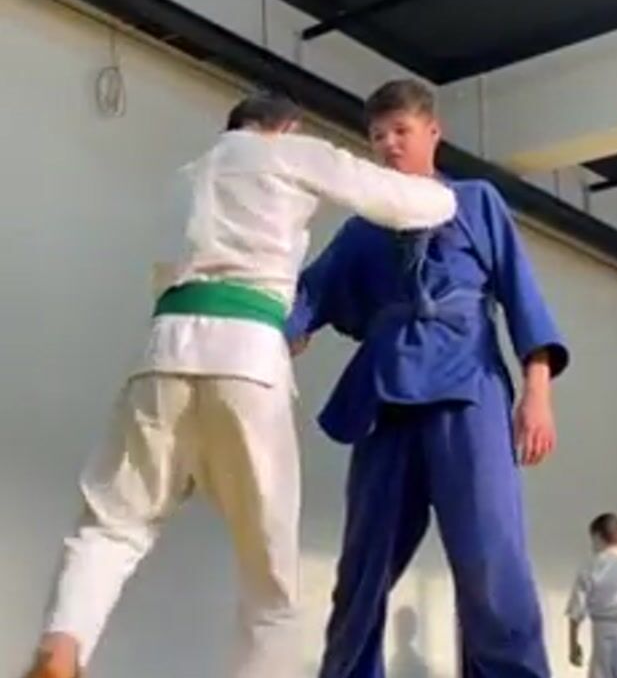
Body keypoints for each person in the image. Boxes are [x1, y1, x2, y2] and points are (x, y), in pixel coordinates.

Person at [23, 92, 457, 678]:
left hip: (161, 356)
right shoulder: (288, 153)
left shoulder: (186, 177)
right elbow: (403, 201)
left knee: (111, 526)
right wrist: (449, 194)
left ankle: (62, 647)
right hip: (247, 357)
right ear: (285, 126)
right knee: (268, 578)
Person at [287, 79, 569, 678]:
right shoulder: (364, 227)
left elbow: (522, 296)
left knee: (491, 557)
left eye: (401, 131)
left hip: (469, 390)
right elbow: (310, 294)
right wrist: (270, 337)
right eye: (377, 136)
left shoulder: (476, 201)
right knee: (362, 568)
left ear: (432, 132)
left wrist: (537, 395)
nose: (388, 144)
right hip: (385, 398)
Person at [567, 513, 617, 678]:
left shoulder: (590, 567)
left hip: (602, 640)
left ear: (598, 537)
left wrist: (573, 646)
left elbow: (575, 612)